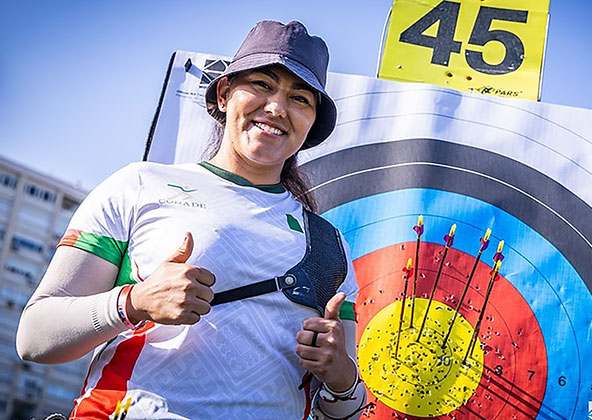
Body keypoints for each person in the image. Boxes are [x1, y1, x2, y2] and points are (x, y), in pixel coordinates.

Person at [16, 20, 367, 420]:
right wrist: (134, 302)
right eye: (262, 85)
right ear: (223, 93)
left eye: (300, 98)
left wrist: (342, 379)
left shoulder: (328, 243)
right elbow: (34, 338)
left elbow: (342, 413)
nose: (277, 108)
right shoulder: (139, 184)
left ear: (311, 124)